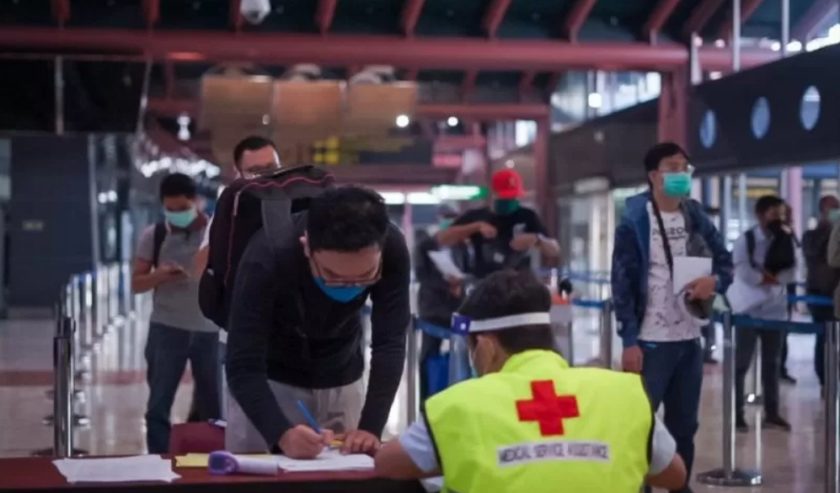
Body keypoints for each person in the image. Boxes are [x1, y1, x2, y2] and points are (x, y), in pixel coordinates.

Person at [375, 270, 687, 492]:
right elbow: (674, 475)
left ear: (486, 345)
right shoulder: (622, 394)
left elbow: (387, 464)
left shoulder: (460, 405)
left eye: (472, 348)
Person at [225, 186, 410, 457]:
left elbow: (390, 342)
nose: (350, 286)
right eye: (332, 276)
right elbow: (242, 364)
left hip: (342, 372)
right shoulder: (267, 256)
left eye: (365, 276)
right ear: (306, 245)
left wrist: (370, 428)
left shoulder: (392, 248)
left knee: (345, 471)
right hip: (269, 381)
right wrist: (280, 432)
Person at [611, 142, 733, 493]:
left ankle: (680, 486)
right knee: (643, 425)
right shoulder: (635, 221)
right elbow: (622, 282)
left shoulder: (694, 215)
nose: (681, 173)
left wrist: (714, 282)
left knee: (685, 426)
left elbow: (725, 261)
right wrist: (629, 340)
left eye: (685, 167)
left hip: (689, 337)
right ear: (654, 175)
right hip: (650, 340)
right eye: (673, 167)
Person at [187, 135, 282, 422]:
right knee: (242, 421)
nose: (265, 177)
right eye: (255, 171)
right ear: (238, 173)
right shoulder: (229, 212)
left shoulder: (298, 202)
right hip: (239, 334)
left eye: (272, 168)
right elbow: (201, 268)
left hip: (290, 336)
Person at [131, 173, 220, 453]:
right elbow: (136, 284)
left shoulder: (217, 233)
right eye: (170, 209)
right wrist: (159, 275)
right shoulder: (155, 235)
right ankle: (158, 460)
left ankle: (212, 459)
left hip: (210, 331)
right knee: (158, 404)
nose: (177, 214)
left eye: (182, 208)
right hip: (167, 328)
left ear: (197, 202)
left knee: (214, 407)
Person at [732, 195, 796, 432]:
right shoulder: (746, 240)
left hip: (775, 310)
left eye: (781, 214)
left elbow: (793, 271)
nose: (779, 218)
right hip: (747, 310)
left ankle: (772, 413)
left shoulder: (787, 238)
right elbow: (743, 270)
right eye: (774, 214)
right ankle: (738, 414)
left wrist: (774, 279)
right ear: (760, 215)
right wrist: (767, 279)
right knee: (741, 364)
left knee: (772, 364)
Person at [436, 168, 559, 279]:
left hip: (518, 284)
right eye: (505, 197)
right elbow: (442, 239)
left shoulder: (527, 216)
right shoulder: (476, 216)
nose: (509, 200)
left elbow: (554, 250)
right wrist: (476, 227)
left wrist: (537, 239)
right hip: (483, 282)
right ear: (493, 194)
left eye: (513, 196)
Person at [414, 204, 467, 399]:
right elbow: (422, 275)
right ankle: (426, 398)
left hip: (458, 307)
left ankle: (457, 394)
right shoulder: (425, 245)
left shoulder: (461, 246)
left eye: (453, 217)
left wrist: (460, 284)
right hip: (433, 309)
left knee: (461, 353)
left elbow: (467, 271)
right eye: (446, 216)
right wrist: (447, 285)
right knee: (429, 353)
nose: (449, 220)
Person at [804, 196, 840, 392]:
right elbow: (816, 254)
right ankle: (825, 380)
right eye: (832, 208)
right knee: (824, 339)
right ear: (822, 211)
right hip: (820, 294)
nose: (836, 211)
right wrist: (831, 229)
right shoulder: (811, 235)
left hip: (836, 293)